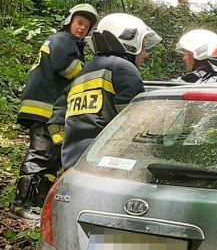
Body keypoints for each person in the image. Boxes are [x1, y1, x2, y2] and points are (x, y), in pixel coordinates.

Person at [12, 3, 98, 221]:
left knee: (53, 158)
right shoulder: (62, 40)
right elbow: (68, 69)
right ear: (70, 21)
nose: (81, 29)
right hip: (44, 108)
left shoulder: (69, 43)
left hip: (51, 110)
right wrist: (92, 72)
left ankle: (38, 204)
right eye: (79, 23)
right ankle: (21, 204)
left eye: (86, 26)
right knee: (41, 154)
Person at [59, 13, 161, 170]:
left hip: (74, 165)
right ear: (129, 40)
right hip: (107, 166)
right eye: (144, 46)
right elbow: (137, 123)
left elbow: (57, 116)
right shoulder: (124, 69)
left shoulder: (82, 74)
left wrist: (60, 143)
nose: (145, 54)